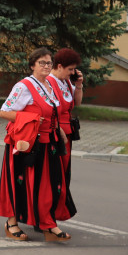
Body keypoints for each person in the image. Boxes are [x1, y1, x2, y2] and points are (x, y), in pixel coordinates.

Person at [0, 47, 72, 242]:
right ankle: (11, 222)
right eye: (42, 63)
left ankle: (48, 224)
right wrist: (30, 118)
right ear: (32, 65)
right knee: (19, 182)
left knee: (47, 185)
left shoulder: (50, 84)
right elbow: (4, 111)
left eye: (49, 63)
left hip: (49, 143)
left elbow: (53, 113)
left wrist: (60, 131)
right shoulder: (23, 86)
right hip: (26, 144)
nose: (46, 66)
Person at [47, 47, 82, 228]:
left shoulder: (66, 81)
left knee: (63, 175)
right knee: (54, 175)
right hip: (56, 133)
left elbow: (76, 103)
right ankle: (46, 215)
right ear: (59, 66)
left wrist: (78, 85)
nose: (72, 73)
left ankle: (53, 213)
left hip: (66, 133)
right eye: (70, 69)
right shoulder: (49, 82)